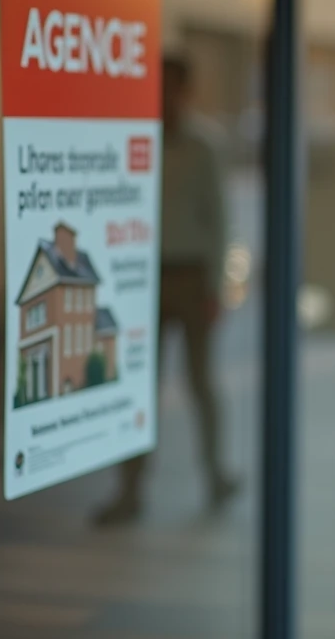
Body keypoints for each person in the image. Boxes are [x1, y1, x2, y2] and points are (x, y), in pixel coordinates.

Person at [95, 55, 239, 526]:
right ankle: (130, 490)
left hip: (192, 277)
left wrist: (216, 286)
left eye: (172, 86)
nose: (163, 94)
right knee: (139, 387)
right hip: (144, 276)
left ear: (186, 90)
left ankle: (215, 475)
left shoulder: (203, 146)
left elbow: (219, 221)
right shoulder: (137, 138)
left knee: (201, 383)